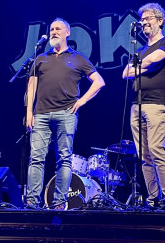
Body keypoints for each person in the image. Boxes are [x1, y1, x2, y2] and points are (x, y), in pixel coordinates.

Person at [25, 18, 105, 210]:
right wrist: (29, 112)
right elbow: (31, 87)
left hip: (66, 114)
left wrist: (82, 101)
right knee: (36, 158)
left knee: (64, 159)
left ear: (67, 32)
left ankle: (60, 202)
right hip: (41, 114)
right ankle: (31, 202)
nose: (53, 31)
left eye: (58, 29)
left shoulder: (77, 58)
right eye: (51, 29)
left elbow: (99, 81)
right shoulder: (41, 58)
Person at [122, 3, 165, 210]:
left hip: (157, 104)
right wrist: (143, 64)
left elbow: (154, 60)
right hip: (137, 105)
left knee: (156, 149)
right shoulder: (141, 49)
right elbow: (125, 73)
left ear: (160, 20)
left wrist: (140, 65)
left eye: (148, 19)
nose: (144, 22)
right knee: (144, 155)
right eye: (142, 19)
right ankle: (153, 197)